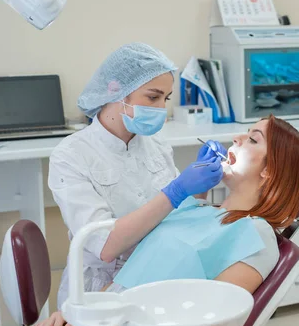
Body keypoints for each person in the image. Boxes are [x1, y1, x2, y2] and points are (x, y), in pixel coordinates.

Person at [2, 115, 299, 326]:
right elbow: (134, 274)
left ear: (269, 171)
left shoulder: (256, 236)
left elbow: (210, 323)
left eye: (251, 139)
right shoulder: (194, 207)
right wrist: (82, 312)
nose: (235, 139)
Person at [48, 42, 227, 310]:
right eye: (152, 97)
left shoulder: (156, 145)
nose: (161, 109)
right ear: (115, 91)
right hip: (99, 289)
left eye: (165, 99)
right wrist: (177, 190)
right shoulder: (71, 155)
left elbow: (178, 215)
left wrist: (198, 186)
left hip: (154, 273)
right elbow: (106, 246)